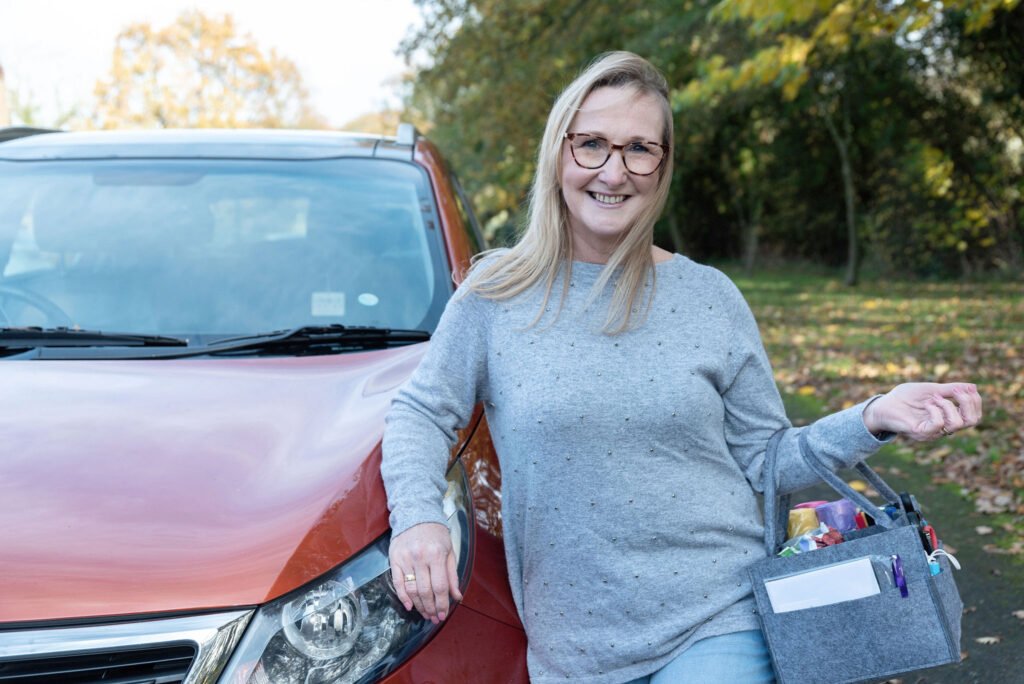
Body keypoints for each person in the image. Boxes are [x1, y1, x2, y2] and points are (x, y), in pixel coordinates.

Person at [380, 51, 982, 683]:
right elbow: (420, 413)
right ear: (559, 152)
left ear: (661, 166)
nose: (614, 170)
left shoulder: (709, 297)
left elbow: (767, 458)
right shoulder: (494, 297)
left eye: (640, 148)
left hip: (720, 615)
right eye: (592, 144)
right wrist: (418, 519)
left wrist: (874, 417)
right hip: (573, 646)